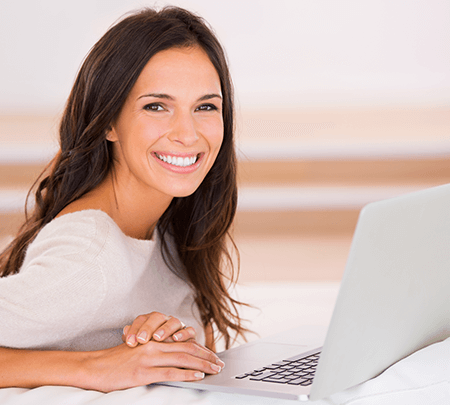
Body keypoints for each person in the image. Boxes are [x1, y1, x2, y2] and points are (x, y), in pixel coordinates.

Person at [0, 6, 248, 392]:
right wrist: (93, 367)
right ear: (109, 121)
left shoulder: (167, 224)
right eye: (156, 106)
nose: (188, 133)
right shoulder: (91, 257)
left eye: (205, 107)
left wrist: (172, 342)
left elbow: (202, 347)